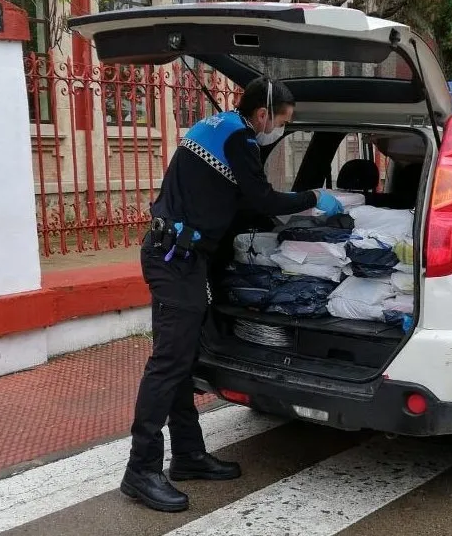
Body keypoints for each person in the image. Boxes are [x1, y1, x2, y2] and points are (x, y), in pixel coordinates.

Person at [120, 77, 344, 513]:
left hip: (178, 255)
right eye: (282, 121)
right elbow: (259, 200)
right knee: (168, 365)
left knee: (182, 361)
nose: (279, 129)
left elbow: (229, 198)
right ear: (263, 114)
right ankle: (140, 469)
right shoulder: (241, 138)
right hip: (176, 259)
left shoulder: (215, 125)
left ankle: (188, 454)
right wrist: (314, 197)